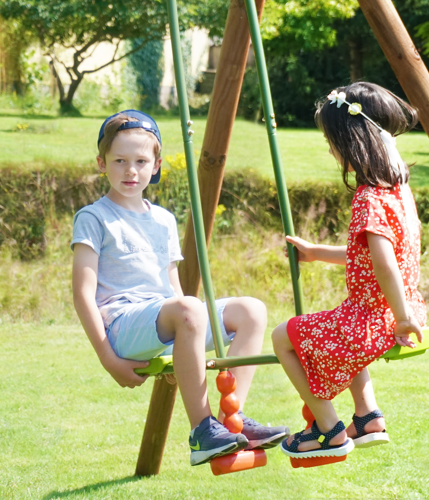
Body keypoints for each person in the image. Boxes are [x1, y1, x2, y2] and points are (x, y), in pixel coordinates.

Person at [71, 110, 289, 467]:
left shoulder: (163, 220)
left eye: (141, 161)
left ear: (155, 165)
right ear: (101, 163)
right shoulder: (94, 218)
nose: (131, 171)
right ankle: (202, 431)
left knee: (251, 310)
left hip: (164, 316)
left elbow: (172, 286)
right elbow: (82, 293)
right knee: (188, 307)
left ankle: (233, 419)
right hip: (124, 325)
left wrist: (182, 341)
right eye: (120, 161)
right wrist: (109, 359)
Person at [272, 82, 427, 460]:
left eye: (332, 141)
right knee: (339, 324)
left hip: (381, 320)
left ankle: (329, 430)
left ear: (352, 142)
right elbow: (374, 257)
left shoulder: (368, 197)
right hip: (396, 312)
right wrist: (316, 253)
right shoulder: (398, 191)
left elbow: (385, 262)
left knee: (282, 337)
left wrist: (403, 320)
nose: (330, 149)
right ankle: (367, 415)